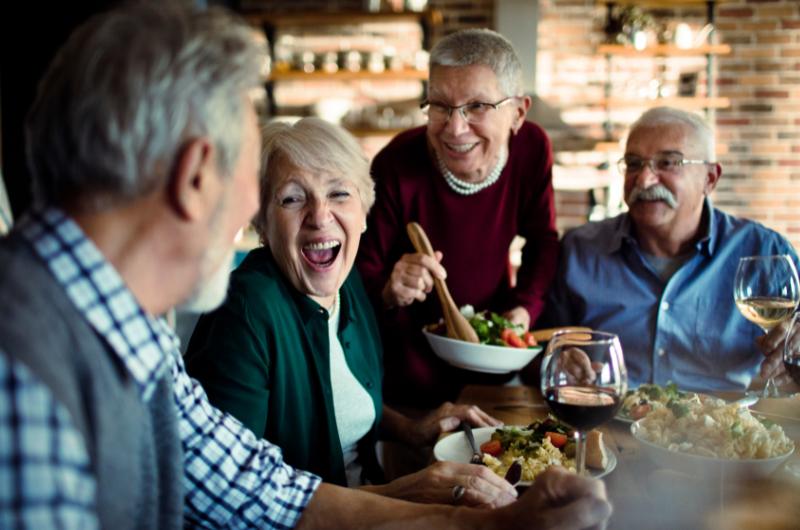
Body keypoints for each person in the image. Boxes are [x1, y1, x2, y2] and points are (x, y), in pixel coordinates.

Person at [0, 4, 613, 529]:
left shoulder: (130, 332)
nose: (253, 212)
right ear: (195, 177)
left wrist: (490, 522)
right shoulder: (24, 376)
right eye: (264, 186)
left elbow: (260, 489)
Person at [185, 117, 517, 507]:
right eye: (292, 198)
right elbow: (231, 499)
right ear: (262, 222)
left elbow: (338, 399)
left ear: (363, 212)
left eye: (339, 194)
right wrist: (405, 493)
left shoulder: (349, 284)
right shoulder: (245, 310)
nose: (320, 215)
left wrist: (411, 429)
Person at [357, 29, 559, 408]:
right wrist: (390, 288)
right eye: (440, 105)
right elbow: (359, 276)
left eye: (477, 106)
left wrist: (524, 307)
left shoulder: (532, 148)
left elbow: (543, 240)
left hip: (493, 356)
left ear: (517, 113)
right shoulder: (397, 162)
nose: (454, 128)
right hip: (409, 370)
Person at [541, 106, 799, 393]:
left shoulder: (766, 251)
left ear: (710, 179)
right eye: (634, 163)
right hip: (603, 426)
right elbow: (540, 348)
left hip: (722, 432)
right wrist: (557, 359)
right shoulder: (580, 250)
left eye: (668, 163)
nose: (644, 179)